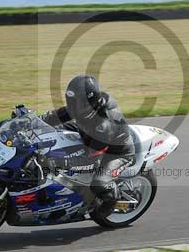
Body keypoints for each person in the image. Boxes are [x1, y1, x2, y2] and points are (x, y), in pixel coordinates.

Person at [41, 75, 135, 216]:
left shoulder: (104, 125)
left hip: (116, 154)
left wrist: (59, 160)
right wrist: (29, 122)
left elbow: (90, 161)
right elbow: (53, 118)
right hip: (87, 134)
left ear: (90, 101)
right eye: (71, 101)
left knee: (99, 183)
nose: (73, 106)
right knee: (54, 131)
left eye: (77, 102)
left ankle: (110, 202)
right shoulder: (83, 108)